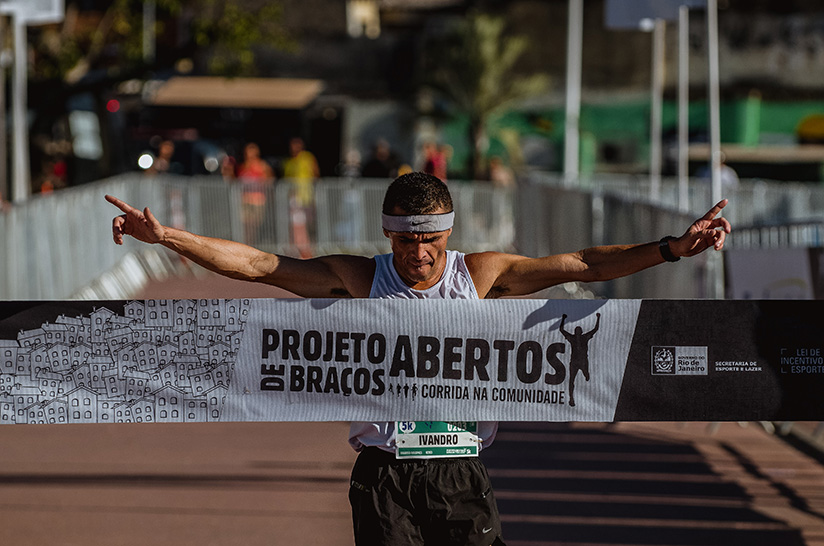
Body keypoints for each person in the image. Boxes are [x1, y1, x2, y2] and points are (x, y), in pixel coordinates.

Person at [106, 172, 730, 546]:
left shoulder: (480, 276)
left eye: (432, 240)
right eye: (408, 241)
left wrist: (672, 249)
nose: (421, 255)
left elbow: (586, 264)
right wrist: (167, 238)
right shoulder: (359, 278)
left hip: (459, 469)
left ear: (448, 234)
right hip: (384, 474)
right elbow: (260, 265)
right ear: (389, 235)